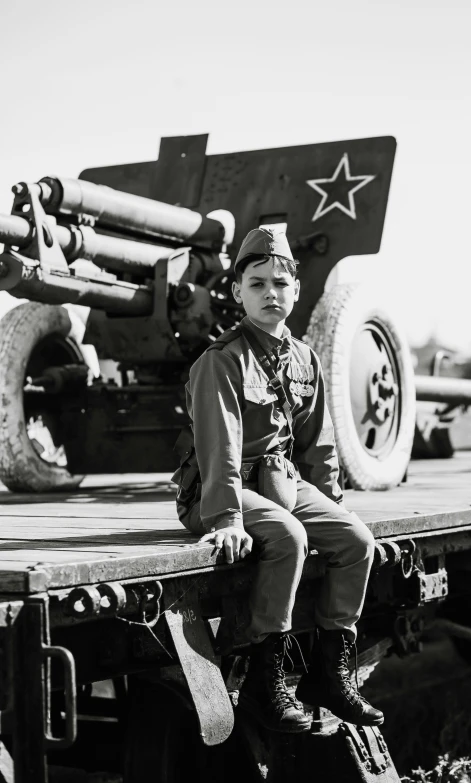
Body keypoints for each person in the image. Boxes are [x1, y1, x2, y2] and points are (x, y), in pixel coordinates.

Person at [175, 227, 383, 733]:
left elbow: (318, 445)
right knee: (289, 537)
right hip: (217, 489)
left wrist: (333, 504)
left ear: (296, 290)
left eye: (281, 283)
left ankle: (332, 675)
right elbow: (218, 447)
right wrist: (225, 517)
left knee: (357, 541)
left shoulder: (304, 359)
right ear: (238, 292)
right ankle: (269, 680)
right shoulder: (220, 361)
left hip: (279, 485)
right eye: (257, 284)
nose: (271, 293)